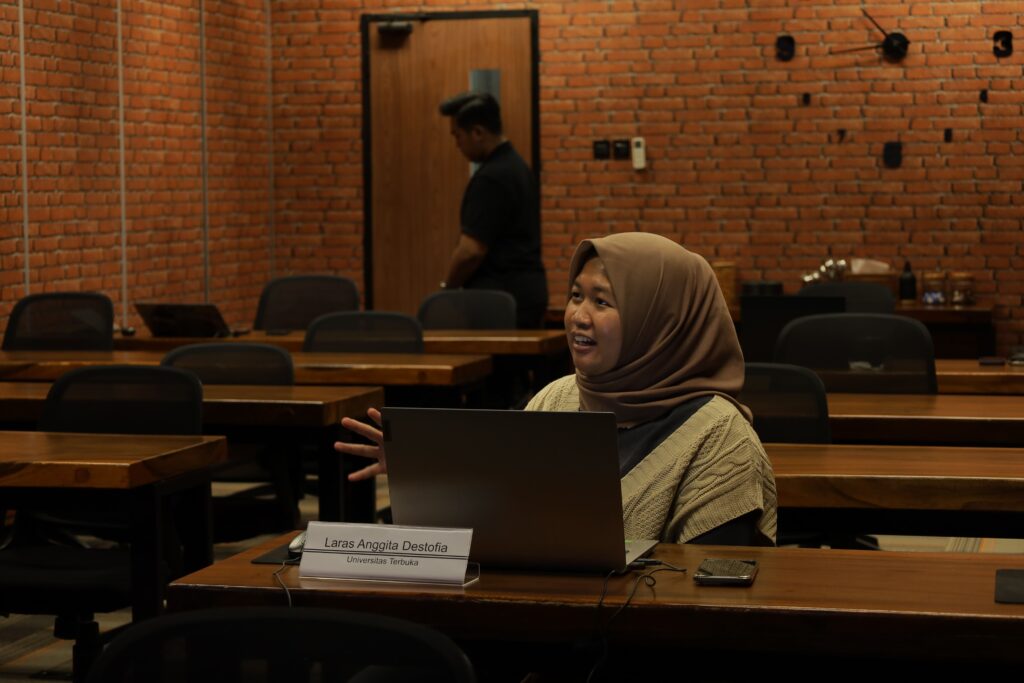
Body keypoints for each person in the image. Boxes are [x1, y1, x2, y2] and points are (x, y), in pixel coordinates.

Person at [337, 232, 776, 546]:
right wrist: (429, 469)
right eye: (575, 296)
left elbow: (706, 595)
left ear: (661, 322)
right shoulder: (559, 397)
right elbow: (503, 500)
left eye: (602, 302)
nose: (578, 317)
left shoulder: (720, 439)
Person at [438, 92, 548, 329]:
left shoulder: (491, 178)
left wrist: (447, 288)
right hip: (526, 293)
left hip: (499, 301)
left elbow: (470, 251)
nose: (457, 144)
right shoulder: (518, 167)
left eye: (458, 135)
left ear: (477, 133)